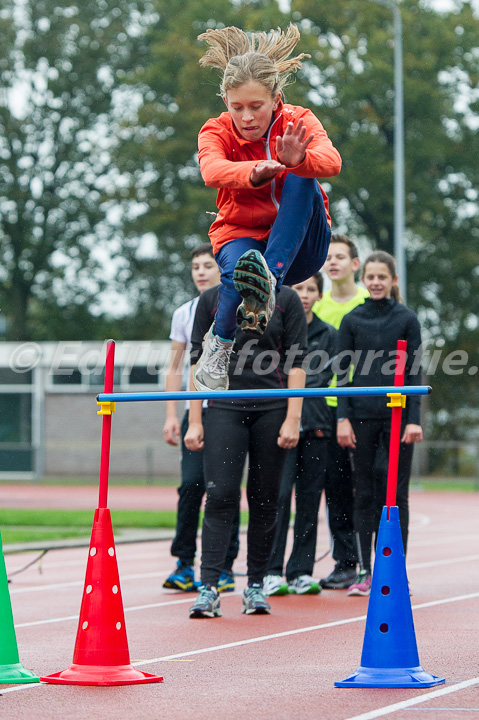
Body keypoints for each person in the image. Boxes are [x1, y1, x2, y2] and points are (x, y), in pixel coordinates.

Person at [192, 24, 341, 393]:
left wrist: (301, 159)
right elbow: (211, 170)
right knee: (239, 273)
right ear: (225, 101)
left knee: (302, 173)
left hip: (302, 249)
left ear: (276, 99)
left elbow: (332, 161)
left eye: (256, 107)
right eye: (237, 107)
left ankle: (269, 281)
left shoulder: (297, 120)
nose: (246, 118)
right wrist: (253, 173)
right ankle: (220, 348)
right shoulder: (215, 130)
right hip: (242, 234)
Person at [185, 283, 308, 618]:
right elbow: (200, 361)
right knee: (221, 493)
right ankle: (208, 586)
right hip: (224, 406)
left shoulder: (286, 298)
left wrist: (293, 418)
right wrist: (195, 421)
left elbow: (297, 362)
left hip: (272, 408)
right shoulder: (213, 298)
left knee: (266, 497)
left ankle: (255, 584)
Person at [335, 250, 423, 596]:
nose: (374, 282)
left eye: (381, 277)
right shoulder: (351, 320)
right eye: (370, 277)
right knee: (365, 492)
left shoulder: (407, 319)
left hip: (398, 418)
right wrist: (342, 417)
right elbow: (342, 374)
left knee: (397, 494)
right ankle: (365, 571)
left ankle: (396, 571)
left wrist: (413, 420)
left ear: (392, 281)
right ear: (363, 279)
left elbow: (414, 370)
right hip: (360, 417)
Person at [162, 244, 239, 593]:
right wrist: (171, 414)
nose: (201, 272)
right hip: (195, 410)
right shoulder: (184, 313)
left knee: (223, 488)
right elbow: (176, 367)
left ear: (222, 268)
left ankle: (224, 565)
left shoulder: (239, 304)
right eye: (196, 266)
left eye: (208, 265)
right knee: (191, 485)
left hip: (229, 411)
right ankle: (183, 562)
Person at [263, 273, 337, 596]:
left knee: (309, 500)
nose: (304, 294)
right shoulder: (277, 329)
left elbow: (322, 375)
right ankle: (270, 570)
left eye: (311, 289)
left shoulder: (330, 335)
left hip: (318, 426)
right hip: (282, 425)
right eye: (299, 288)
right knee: (277, 497)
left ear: (320, 295)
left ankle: (300, 571)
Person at [312, 235, 369, 590]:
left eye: (340, 257)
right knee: (335, 490)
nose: (332, 263)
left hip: (363, 410)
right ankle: (345, 562)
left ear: (355, 263)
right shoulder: (316, 306)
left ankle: (372, 560)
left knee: (367, 488)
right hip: (326, 410)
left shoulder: (369, 301)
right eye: (328, 257)